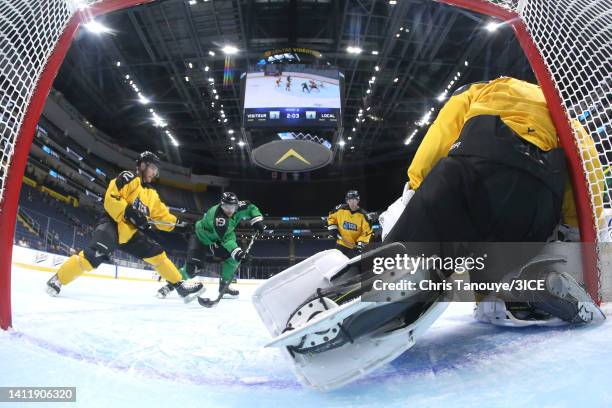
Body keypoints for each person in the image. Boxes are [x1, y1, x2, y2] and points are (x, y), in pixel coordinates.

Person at [379, 76, 605, 324]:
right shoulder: (561, 112)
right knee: (498, 271)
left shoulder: (478, 91)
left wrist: (416, 191)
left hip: (477, 170)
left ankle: (390, 295)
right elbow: (588, 170)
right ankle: (516, 291)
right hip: (538, 200)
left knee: (433, 218)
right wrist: (574, 231)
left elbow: (439, 138)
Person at [46, 151, 204, 302]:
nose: (155, 173)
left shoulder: (152, 195)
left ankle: (180, 286)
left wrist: (180, 225)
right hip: (113, 223)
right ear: (143, 166)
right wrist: (129, 211)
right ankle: (58, 279)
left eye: (156, 170)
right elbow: (111, 197)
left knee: (158, 254)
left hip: (130, 233)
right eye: (153, 168)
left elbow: (163, 216)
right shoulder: (129, 178)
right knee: (94, 255)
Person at [156, 192, 265, 300]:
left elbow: (250, 207)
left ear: (237, 205)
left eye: (233, 207)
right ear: (221, 205)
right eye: (227, 207)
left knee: (233, 259)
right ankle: (169, 286)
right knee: (193, 269)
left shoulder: (239, 207)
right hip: (200, 237)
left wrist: (256, 220)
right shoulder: (219, 220)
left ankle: (224, 286)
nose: (230, 210)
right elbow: (226, 240)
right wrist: (238, 252)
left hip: (216, 240)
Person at [327, 190, 373, 258]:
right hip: (340, 244)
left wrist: (360, 244)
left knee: (354, 266)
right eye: (350, 200)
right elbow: (331, 218)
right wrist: (333, 229)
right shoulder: (339, 209)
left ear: (358, 200)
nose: (352, 202)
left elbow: (367, 233)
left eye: (354, 200)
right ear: (347, 201)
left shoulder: (364, 216)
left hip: (355, 248)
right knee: (337, 263)